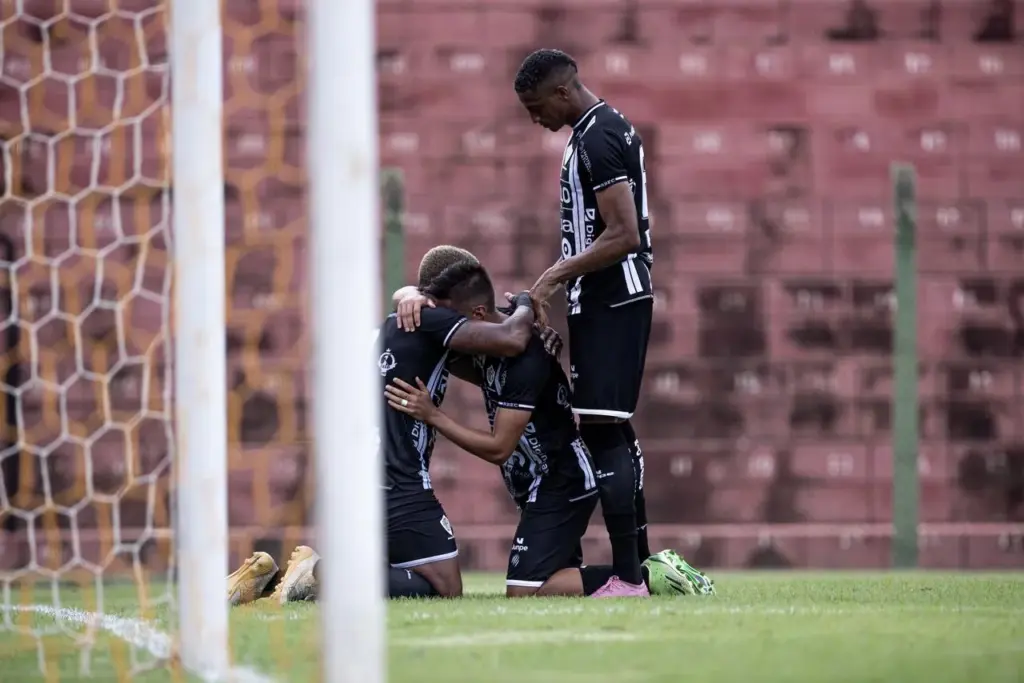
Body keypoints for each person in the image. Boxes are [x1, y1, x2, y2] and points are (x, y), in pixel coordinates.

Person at [386, 259, 708, 597]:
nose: (443, 330)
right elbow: (419, 315)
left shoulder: (524, 356)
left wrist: (433, 415)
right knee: (553, 580)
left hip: (561, 480)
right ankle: (631, 579)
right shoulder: (489, 338)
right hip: (536, 481)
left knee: (523, 591)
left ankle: (649, 575)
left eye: (448, 321)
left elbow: (499, 448)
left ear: (477, 314)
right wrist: (409, 295)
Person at [226, 269, 539, 604]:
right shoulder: (431, 320)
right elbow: (512, 339)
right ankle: (319, 572)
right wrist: (526, 302)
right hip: (397, 481)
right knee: (443, 588)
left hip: (362, 473)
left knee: (385, 569)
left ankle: (267, 578)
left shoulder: (395, 323)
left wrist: (406, 293)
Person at [512, 48, 655, 596]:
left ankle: (628, 577)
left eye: (536, 107)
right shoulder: (594, 130)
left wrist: (554, 276)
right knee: (612, 428)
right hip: (601, 300)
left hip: (614, 300)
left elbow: (624, 234)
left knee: (601, 430)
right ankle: (642, 568)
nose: (535, 119)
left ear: (562, 92)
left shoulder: (598, 137)